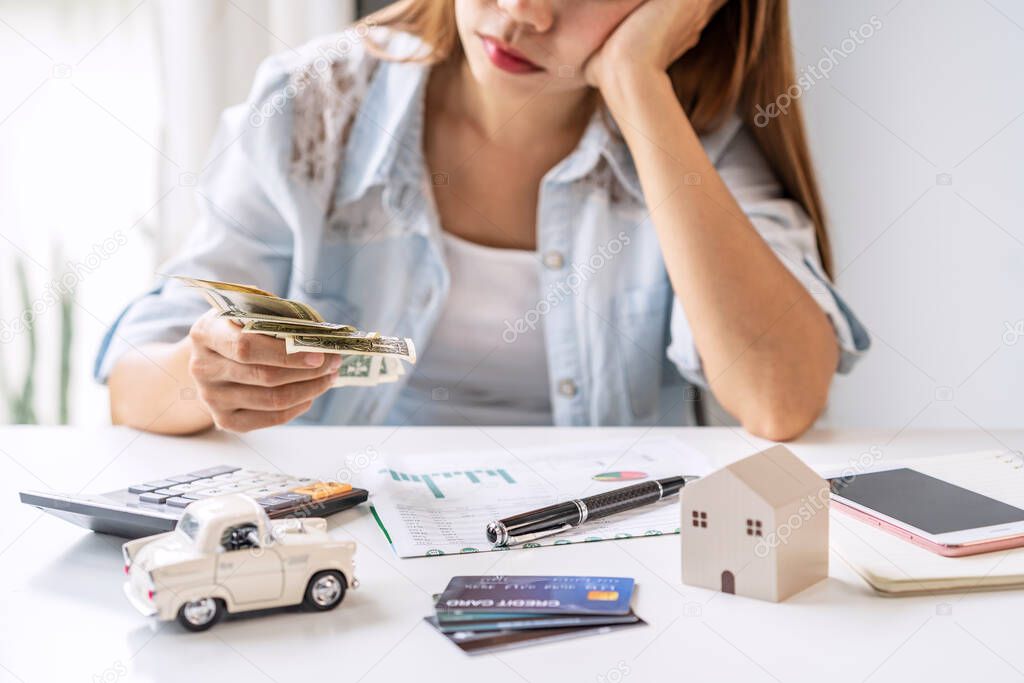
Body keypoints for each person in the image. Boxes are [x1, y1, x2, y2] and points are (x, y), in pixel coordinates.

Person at [96, 0, 870, 439]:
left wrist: (636, 83)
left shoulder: (697, 142)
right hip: (355, 560)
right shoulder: (312, 107)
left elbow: (780, 396)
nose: (522, 12)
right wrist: (206, 374)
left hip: (603, 567)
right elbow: (130, 384)